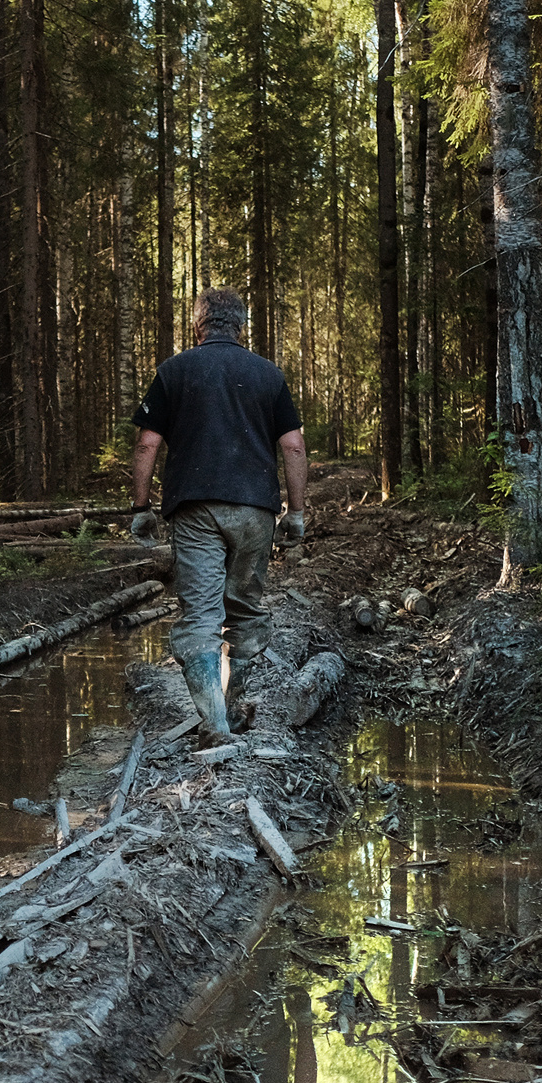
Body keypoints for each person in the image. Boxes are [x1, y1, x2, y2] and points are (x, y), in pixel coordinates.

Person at [128, 287, 307, 748]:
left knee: (201, 616)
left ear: (198, 325)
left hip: (195, 509)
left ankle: (215, 726)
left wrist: (141, 507)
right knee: (244, 608)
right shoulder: (268, 374)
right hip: (255, 509)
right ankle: (235, 705)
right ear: (241, 327)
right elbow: (293, 445)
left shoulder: (175, 370)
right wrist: (298, 513)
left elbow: (148, 443)